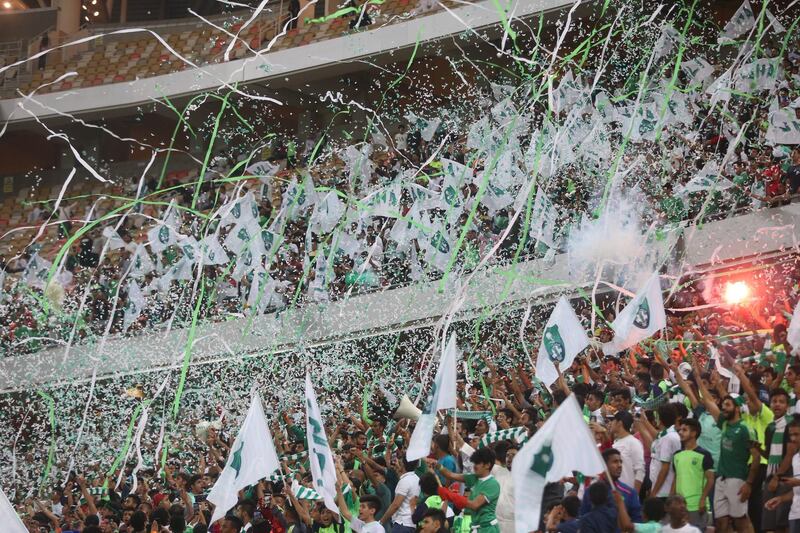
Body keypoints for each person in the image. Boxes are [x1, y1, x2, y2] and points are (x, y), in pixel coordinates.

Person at [697, 375, 761, 533]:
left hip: (738, 479)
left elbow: (757, 458)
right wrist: (698, 377)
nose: (723, 407)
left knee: (741, 522)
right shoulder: (724, 424)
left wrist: (749, 484)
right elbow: (708, 401)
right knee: (721, 523)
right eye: (723, 404)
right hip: (721, 478)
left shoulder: (746, 429)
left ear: (737, 408)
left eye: (727, 405)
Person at [433, 447, 501, 533]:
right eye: (474, 462)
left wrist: (451, 495)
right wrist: (437, 465)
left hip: (488, 529)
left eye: (478, 463)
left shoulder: (492, 484)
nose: (475, 466)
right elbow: (450, 475)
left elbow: (474, 505)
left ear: (487, 465)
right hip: (476, 527)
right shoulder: (474, 478)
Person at [579, 447, 642, 525]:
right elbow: (583, 519)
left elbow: (637, 522)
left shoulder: (630, 492)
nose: (620, 465)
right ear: (604, 465)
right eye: (615, 462)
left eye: (620, 462)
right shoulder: (590, 491)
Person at [671, 417, 714, 530]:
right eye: (680, 430)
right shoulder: (676, 455)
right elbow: (676, 478)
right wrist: (671, 499)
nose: (680, 432)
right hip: (680, 506)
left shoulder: (705, 455)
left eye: (684, 430)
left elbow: (710, 479)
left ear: (694, 433)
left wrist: (702, 499)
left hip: (696, 506)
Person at [649, 403, 681, 499]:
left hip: (663, 491)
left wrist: (654, 493)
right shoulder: (669, 435)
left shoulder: (668, 438)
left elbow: (665, 468)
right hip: (662, 489)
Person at [380, 457, 419, 533]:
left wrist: (381, 521)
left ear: (403, 465)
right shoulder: (416, 478)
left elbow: (396, 505)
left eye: (400, 462)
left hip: (402, 524)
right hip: (411, 524)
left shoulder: (405, 481)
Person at [609, 410, 645, 492]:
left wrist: (634, 495)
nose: (610, 423)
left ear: (619, 423)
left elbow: (640, 471)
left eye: (613, 420)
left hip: (628, 493)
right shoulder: (615, 443)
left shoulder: (633, 443)